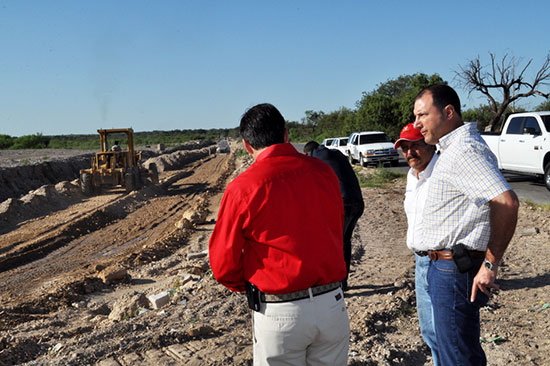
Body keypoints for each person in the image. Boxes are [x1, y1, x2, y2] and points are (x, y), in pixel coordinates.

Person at [209, 103, 350, 366]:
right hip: (332, 304)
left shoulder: (242, 188)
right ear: (286, 135)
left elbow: (222, 265)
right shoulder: (324, 173)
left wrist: (250, 287)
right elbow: (335, 229)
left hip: (280, 311)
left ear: (247, 145)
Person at [413, 84, 519, 366]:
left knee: (458, 357)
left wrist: (490, 266)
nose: (416, 124)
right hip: (445, 267)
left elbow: (506, 202)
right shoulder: (452, 149)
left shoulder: (464, 151)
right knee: (454, 352)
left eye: (423, 115)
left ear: (448, 112)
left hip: (452, 270)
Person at [394, 123, 440, 364]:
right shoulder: (412, 176)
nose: (409, 152)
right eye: (405, 148)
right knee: (430, 332)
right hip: (421, 261)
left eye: (415, 146)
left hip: (444, 263)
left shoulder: (444, 171)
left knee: (451, 336)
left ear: (430, 144)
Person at [303, 140, 364, 290]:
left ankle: (336, 283)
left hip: (344, 204)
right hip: (358, 202)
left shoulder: (315, 158)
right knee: (344, 241)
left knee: (334, 243)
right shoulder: (335, 153)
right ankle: (342, 282)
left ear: (306, 153)